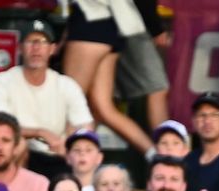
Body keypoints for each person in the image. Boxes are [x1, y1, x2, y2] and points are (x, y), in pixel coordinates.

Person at [0, 19, 94, 177]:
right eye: (30, 41)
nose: (36, 48)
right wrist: (40, 132)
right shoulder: (2, 81)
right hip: (21, 156)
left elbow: (85, 127)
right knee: (18, 144)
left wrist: (71, 143)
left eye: (43, 42)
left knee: (84, 151)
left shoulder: (66, 85)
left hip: (57, 156)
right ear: (20, 47)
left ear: (52, 49)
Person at [60, 0, 153, 155]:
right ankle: (155, 155)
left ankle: (64, 165)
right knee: (103, 108)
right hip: (112, 23)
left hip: (90, 21)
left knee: (69, 104)